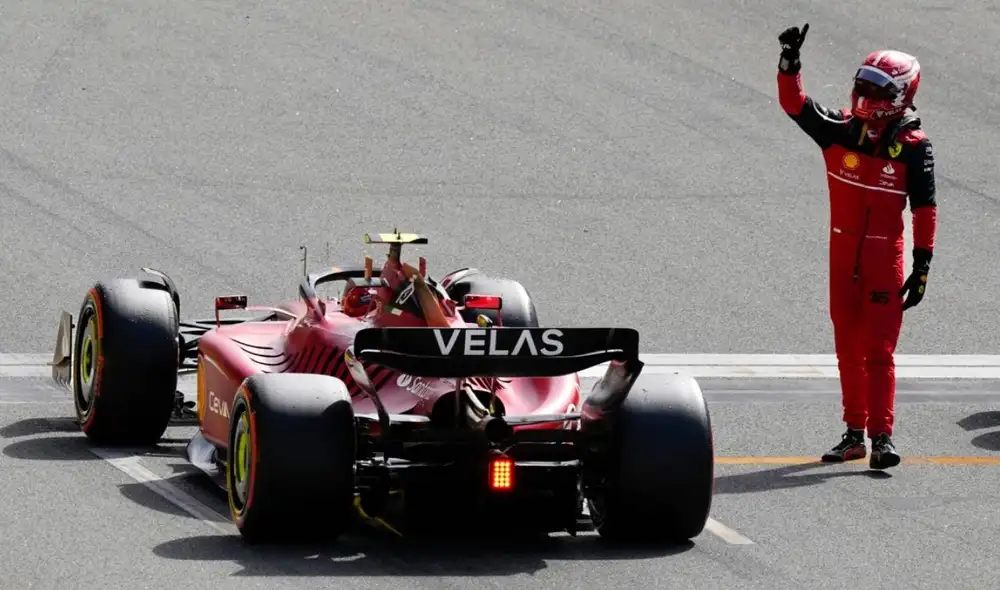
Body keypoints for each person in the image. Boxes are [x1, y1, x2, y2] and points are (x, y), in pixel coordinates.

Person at [776, 23, 938, 469]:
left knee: (879, 352)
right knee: (846, 347)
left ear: (902, 95)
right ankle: (852, 435)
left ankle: (882, 438)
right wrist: (790, 62)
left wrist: (922, 266)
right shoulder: (840, 131)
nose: (865, 94)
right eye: (863, 85)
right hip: (841, 257)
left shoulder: (914, 149)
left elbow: (925, 209)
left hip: (885, 259)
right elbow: (795, 104)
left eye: (876, 89)